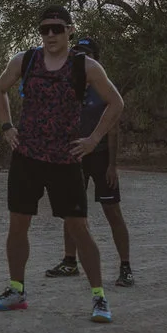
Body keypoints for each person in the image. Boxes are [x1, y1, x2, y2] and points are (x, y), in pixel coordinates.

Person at [0, 6, 124, 323]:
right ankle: (16, 291)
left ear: (69, 31)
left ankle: (99, 299)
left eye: (57, 29)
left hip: (65, 159)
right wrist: (7, 128)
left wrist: (92, 140)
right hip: (27, 156)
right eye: (45, 29)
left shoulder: (84, 66)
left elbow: (116, 103)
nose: (50, 35)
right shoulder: (26, 60)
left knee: (78, 228)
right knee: (18, 225)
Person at [45, 37, 134, 287]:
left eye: (87, 54)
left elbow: (114, 129)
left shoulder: (103, 86)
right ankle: (69, 261)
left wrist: (112, 165)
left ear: (96, 58)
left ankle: (125, 266)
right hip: (75, 155)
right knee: (71, 211)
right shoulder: (68, 85)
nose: (81, 58)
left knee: (112, 210)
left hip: (102, 156)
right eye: (78, 53)